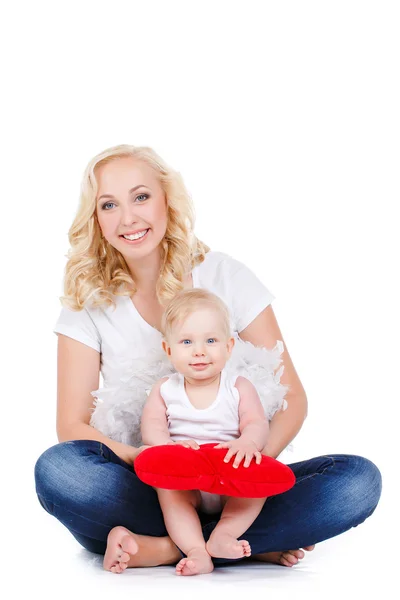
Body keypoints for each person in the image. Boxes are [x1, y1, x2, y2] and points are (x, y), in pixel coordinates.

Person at [34, 143, 382, 575]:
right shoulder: (87, 303)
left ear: (167, 200)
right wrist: (156, 461)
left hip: (238, 479)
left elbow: (293, 399)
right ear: (96, 219)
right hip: (151, 483)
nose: (128, 218)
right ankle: (238, 544)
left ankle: (166, 548)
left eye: (141, 197)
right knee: (61, 473)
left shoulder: (225, 275)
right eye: (109, 205)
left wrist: (246, 474)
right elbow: (72, 426)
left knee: (357, 482)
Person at [141, 288, 271, 576]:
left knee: (256, 491)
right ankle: (197, 551)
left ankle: (224, 535)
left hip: (228, 472)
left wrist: (248, 442)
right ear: (169, 349)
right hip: (185, 474)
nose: (199, 351)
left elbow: (256, 422)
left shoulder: (237, 386)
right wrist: (165, 445)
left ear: (228, 346)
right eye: (187, 341)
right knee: (171, 496)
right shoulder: (165, 389)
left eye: (210, 341)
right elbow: (152, 426)